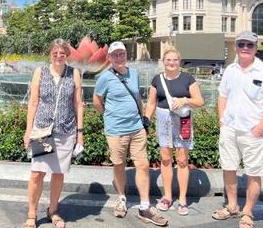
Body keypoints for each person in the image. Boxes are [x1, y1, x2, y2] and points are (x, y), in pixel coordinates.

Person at [211, 31, 263, 228]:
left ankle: (248, 212)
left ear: (256, 48)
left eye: (249, 45)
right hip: (230, 128)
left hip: (252, 131)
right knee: (229, 168)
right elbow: (222, 95)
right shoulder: (231, 70)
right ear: (235, 47)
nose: (245, 48)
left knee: (254, 172)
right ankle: (232, 206)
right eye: (241, 44)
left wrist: (260, 127)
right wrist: (222, 121)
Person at [93, 41, 167, 226]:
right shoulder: (105, 77)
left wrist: (143, 119)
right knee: (119, 165)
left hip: (136, 128)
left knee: (142, 164)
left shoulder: (133, 74)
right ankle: (121, 198)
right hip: (116, 130)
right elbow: (96, 100)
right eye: (115, 55)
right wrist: (108, 116)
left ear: (126, 55)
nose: (119, 58)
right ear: (109, 57)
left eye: (122, 54)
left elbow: (138, 98)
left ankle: (145, 206)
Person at [23, 38, 84, 228]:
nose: (58, 56)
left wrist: (79, 133)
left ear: (67, 54)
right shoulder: (40, 72)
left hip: (66, 130)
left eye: (62, 53)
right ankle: (32, 214)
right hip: (42, 130)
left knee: (58, 173)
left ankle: (53, 210)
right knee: (37, 173)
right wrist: (28, 131)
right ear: (50, 54)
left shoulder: (73, 73)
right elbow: (33, 103)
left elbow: (78, 104)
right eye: (55, 53)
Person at [144, 46, 204, 216]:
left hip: (182, 120)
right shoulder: (157, 79)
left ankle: (183, 199)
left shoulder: (187, 78)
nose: (171, 63)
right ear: (163, 62)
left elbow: (199, 101)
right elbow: (151, 103)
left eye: (175, 60)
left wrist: (185, 100)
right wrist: (146, 120)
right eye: (168, 60)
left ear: (179, 62)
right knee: (165, 158)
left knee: (182, 160)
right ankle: (168, 196)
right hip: (163, 120)